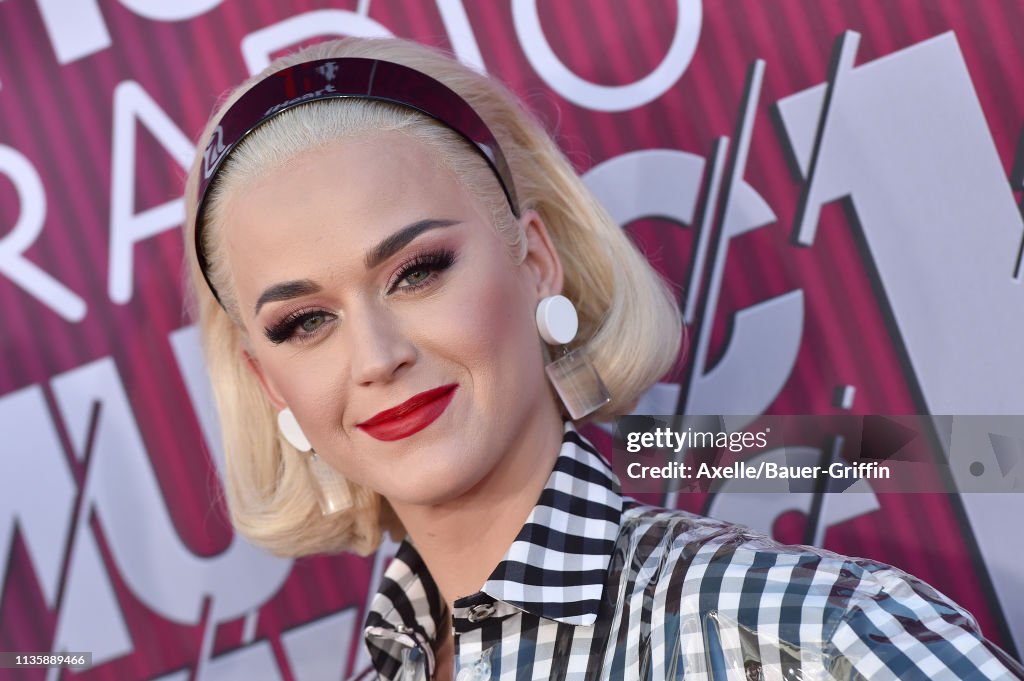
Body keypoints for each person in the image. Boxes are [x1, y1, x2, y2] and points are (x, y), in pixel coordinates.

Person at [183, 37, 1024, 681]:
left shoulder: (807, 637)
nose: (377, 356)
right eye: (304, 322)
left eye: (417, 271)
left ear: (535, 260)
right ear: (268, 382)